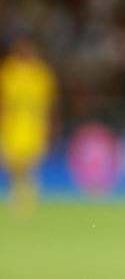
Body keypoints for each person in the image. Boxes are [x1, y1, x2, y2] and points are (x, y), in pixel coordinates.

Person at [0, 36, 58, 219]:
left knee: (31, 165)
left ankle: (29, 200)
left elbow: (48, 104)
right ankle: (17, 197)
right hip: (11, 126)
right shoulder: (7, 72)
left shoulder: (41, 74)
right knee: (13, 165)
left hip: (33, 126)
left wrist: (49, 125)